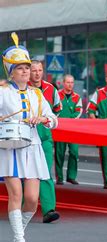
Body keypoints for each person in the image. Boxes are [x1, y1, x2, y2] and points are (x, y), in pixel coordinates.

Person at [1, 33, 58, 242]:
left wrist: (43, 119)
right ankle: (19, 239)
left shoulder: (37, 94)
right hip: (9, 148)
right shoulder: (3, 92)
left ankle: (19, 232)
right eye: (20, 68)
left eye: (27, 67)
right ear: (11, 72)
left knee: (33, 200)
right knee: (16, 194)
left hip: (32, 147)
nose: (25, 71)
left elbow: (54, 119)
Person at [29, 60, 62, 223]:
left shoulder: (51, 89)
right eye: (33, 70)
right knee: (25, 174)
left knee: (46, 173)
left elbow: (57, 109)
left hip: (45, 138)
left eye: (39, 70)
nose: (36, 73)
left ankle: (49, 210)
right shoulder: (22, 89)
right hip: (26, 138)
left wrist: (48, 121)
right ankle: (22, 207)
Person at [55, 75, 82, 185]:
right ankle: (59, 177)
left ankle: (71, 176)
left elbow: (79, 111)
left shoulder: (77, 97)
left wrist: (69, 121)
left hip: (73, 129)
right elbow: (53, 109)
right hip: (60, 129)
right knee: (59, 153)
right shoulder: (57, 95)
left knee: (74, 152)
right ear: (63, 83)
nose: (70, 84)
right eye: (67, 82)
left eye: (72, 82)